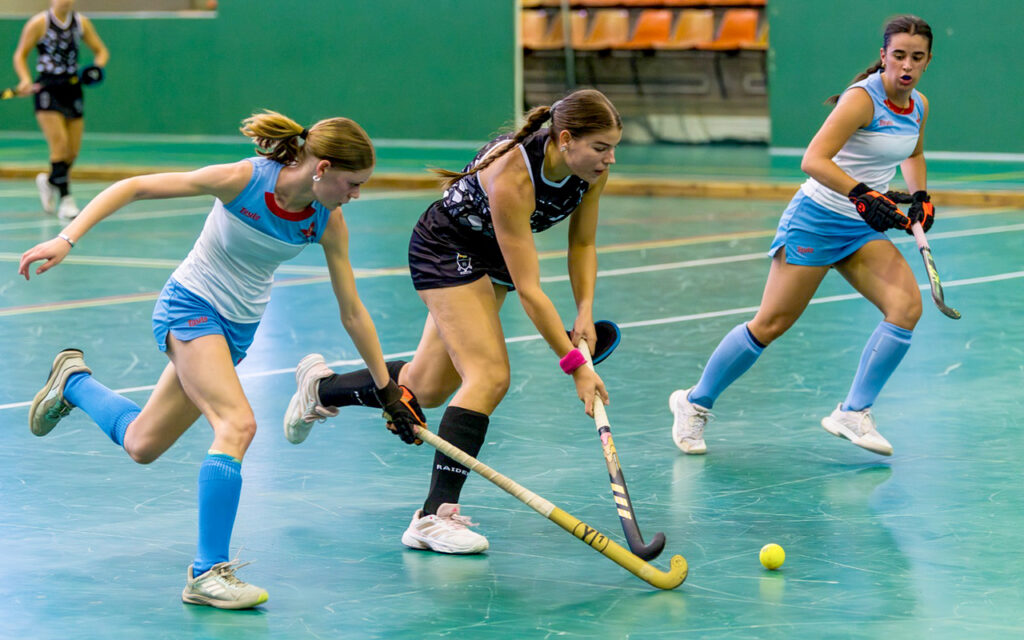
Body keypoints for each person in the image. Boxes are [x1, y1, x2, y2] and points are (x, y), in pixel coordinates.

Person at [18, 110, 424, 609]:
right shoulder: (242, 179)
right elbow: (134, 187)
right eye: (352, 182)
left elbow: (354, 313)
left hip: (235, 332)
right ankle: (207, 571)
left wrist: (387, 391)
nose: (356, 194)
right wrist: (66, 237)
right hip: (191, 308)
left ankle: (73, 383)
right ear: (321, 169)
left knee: (143, 443)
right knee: (237, 425)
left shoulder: (326, 221)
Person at [283, 89, 621, 554]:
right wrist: (575, 366)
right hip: (446, 249)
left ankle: (320, 390)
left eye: (613, 147)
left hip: (491, 255)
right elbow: (529, 290)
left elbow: (582, 246)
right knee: (489, 376)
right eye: (601, 148)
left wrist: (584, 311)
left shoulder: (589, 173)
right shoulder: (513, 178)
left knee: (429, 386)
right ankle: (433, 516)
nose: (610, 159)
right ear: (566, 139)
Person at [669, 15, 935, 457]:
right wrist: (862, 193)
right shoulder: (861, 100)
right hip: (816, 218)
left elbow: (916, 152)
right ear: (884, 55)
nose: (907, 65)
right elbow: (813, 160)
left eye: (917, 57)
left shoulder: (919, 106)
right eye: (899, 55)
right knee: (771, 323)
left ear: (927, 61)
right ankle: (694, 402)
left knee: (906, 307)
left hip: (859, 228)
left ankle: (853, 411)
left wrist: (921, 193)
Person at [12, 0, 109, 220]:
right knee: (60, 146)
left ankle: (49, 181)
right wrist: (25, 79)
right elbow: (20, 54)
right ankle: (66, 200)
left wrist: (96, 68)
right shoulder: (39, 23)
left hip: (72, 88)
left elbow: (101, 51)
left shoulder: (81, 23)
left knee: (72, 152)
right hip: (47, 88)